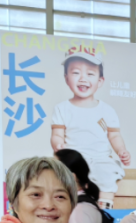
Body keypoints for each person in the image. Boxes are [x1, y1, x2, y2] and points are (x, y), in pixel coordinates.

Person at [50, 46, 130, 209]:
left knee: (108, 174)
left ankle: (104, 208)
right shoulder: (62, 108)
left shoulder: (107, 110)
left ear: (100, 81)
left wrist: (121, 150)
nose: (82, 78)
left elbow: (114, 136)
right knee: (62, 176)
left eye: (90, 74)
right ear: (66, 78)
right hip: (74, 159)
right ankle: (75, 208)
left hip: (101, 158)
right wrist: (58, 144)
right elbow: (57, 134)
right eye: (76, 73)